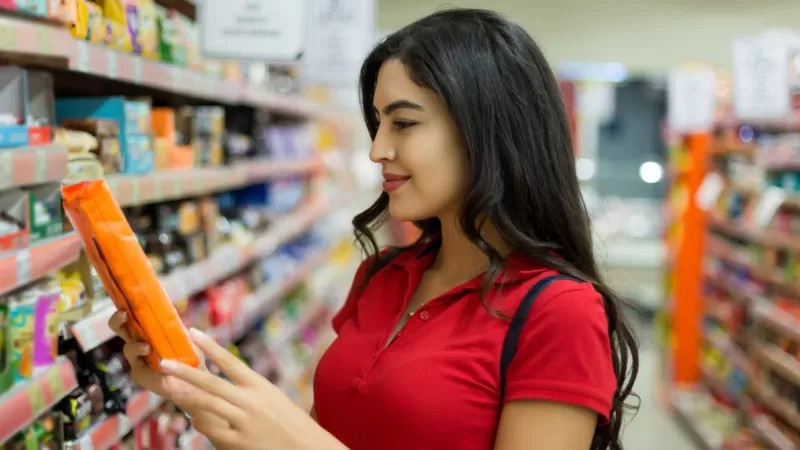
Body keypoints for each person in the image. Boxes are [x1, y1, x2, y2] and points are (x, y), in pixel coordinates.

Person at [109, 8, 639, 450]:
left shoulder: (559, 311)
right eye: (378, 122)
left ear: (487, 130)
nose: (377, 150)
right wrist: (193, 388)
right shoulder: (385, 275)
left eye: (403, 123)